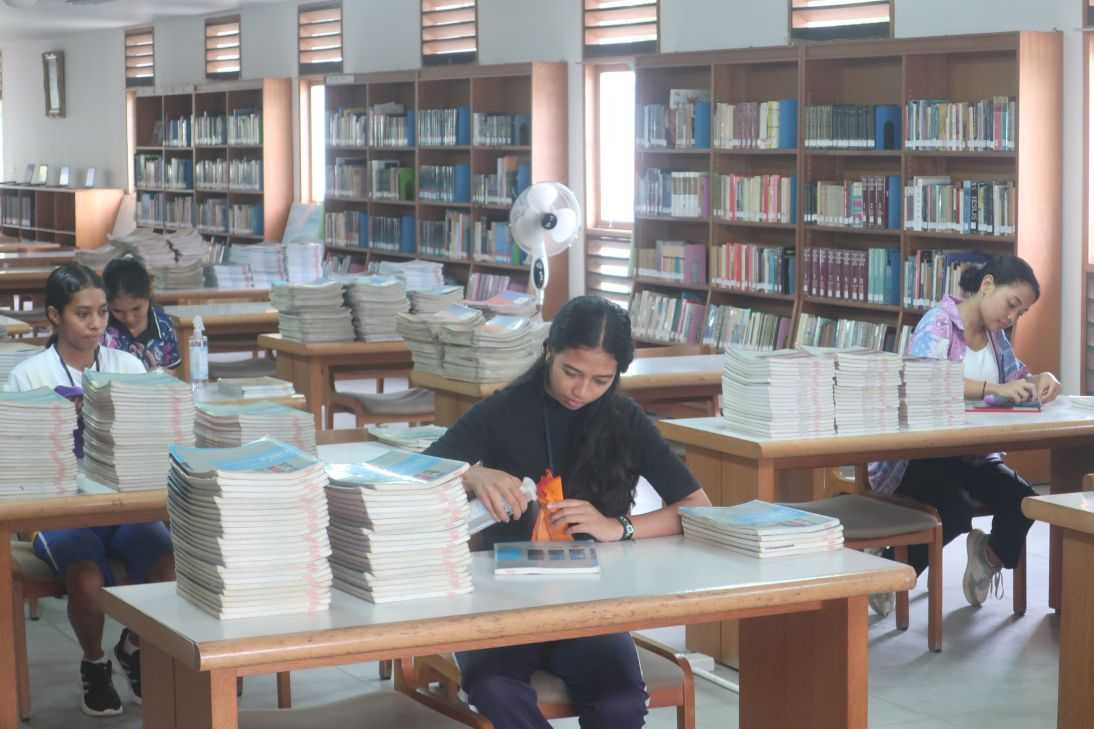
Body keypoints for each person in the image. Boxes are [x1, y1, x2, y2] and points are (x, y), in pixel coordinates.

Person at [424, 295, 712, 729]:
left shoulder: (624, 419)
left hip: (589, 602)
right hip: (503, 600)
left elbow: (697, 508)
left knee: (620, 706)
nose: (581, 391)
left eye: (601, 380)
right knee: (496, 691)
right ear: (549, 352)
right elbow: (416, 473)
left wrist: (618, 527)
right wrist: (471, 476)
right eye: (571, 373)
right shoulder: (505, 409)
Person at [6, 264, 175, 717]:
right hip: (61, 509)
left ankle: (134, 646)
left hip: (122, 502)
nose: (97, 323)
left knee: (168, 565)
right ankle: (95, 662)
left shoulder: (128, 366)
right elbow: (19, 456)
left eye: (102, 312)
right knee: (86, 579)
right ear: (55, 315)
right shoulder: (29, 375)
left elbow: (149, 436)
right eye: (83, 314)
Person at [868, 254, 1061, 615]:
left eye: (1020, 313)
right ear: (987, 285)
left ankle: (987, 557)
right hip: (921, 457)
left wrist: (1044, 379)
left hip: (973, 456)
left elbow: (1019, 376)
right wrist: (993, 388)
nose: (1012, 317)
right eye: (1011, 305)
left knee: (1023, 499)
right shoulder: (938, 323)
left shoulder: (997, 338)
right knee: (954, 510)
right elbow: (926, 379)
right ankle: (889, 574)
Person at [101, 255, 181, 371]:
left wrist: (162, 374)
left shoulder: (163, 326)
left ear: (149, 294)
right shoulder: (101, 329)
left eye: (136, 309)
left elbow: (171, 370)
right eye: (118, 311)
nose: (129, 318)